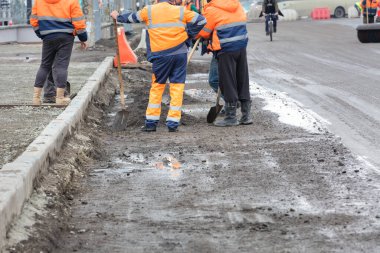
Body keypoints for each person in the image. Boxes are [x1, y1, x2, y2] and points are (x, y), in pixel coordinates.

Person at [111, 0, 206, 132]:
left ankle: (151, 123)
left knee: (157, 86)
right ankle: (173, 123)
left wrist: (118, 16)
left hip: (161, 55)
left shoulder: (149, 10)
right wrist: (188, 34)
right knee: (177, 87)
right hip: (180, 53)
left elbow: (132, 18)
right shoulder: (180, 10)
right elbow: (201, 21)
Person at [197, 0, 251, 127]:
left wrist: (196, 33)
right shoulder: (237, 5)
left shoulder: (212, 9)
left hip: (225, 48)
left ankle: (231, 117)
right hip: (241, 46)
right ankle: (246, 116)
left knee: (228, 82)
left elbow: (204, 32)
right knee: (242, 80)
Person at [30, 0, 88, 105]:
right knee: (61, 66)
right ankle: (60, 98)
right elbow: (78, 22)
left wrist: (42, 34)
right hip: (66, 37)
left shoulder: (39, 1)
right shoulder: (72, 1)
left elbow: (34, 21)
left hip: (48, 37)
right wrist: (83, 38)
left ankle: (36, 98)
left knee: (44, 66)